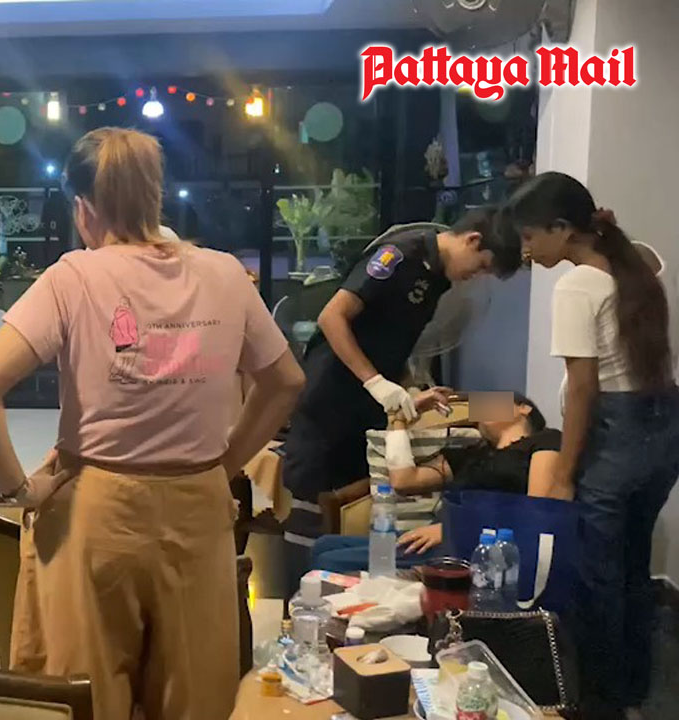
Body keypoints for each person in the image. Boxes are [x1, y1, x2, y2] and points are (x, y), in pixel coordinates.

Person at [0, 127, 304, 720]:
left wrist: (21, 490)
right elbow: (285, 381)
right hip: (198, 508)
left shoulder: (73, 277)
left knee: (87, 693)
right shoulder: (225, 274)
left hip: (97, 509)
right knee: (194, 695)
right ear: (156, 195)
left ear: (83, 208)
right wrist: (223, 464)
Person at [502, 171, 679, 719]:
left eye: (530, 236)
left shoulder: (577, 284)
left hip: (614, 434)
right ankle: (634, 692)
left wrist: (563, 475)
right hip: (664, 429)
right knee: (632, 569)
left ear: (562, 229)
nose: (526, 251)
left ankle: (600, 703)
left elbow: (583, 388)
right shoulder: (637, 269)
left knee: (596, 577)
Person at [281, 210, 522, 591]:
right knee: (308, 509)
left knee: (344, 513)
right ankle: (294, 605)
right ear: (473, 240)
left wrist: (407, 391)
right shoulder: (399, 255)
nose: (476, 277)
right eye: (481, 266)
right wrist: (375, 381)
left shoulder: (438, 281)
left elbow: (395, 343)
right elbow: (332, 317)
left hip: (367, 408)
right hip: (329, 397)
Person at [311, 392, 560, 572]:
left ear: (523, 408)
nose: (482, 407)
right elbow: (404, 481)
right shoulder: (472, 454)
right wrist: (401, 418)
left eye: (492, 401)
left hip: (474, 543)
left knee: (330, 561)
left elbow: (536, 509)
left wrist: (454, 529)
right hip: (441, 535)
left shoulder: (545, 441)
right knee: (323, 545)